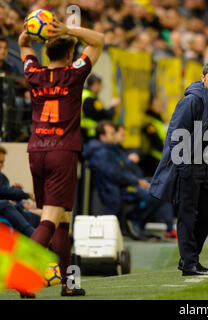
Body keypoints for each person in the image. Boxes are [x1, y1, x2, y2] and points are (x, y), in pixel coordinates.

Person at [19, 19, 104, 297]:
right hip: (61, 152)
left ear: (47, 53)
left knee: (62, 219)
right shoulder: (74, 74)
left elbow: (23, 43)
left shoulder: (34, 73)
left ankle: (69, 283)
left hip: (37, 151)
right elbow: (98, 40)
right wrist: (66, 29)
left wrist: (32, 32)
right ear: (69, 55)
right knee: (50, 219)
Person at [150, 62, 208, 276]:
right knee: (187, 214)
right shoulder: (191, 101)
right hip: (190, 164)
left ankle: (188, 257)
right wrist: (184, 164)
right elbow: (176, 134)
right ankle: (189, 263)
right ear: (203, 78)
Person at [81, 74, 121, 141]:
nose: (100, 88)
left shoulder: (83, 94)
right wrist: (113, 106)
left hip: (82, 132)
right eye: (100, 85)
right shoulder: (91, 98)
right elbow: (104, 115)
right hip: (92, 133)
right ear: (95, 84)